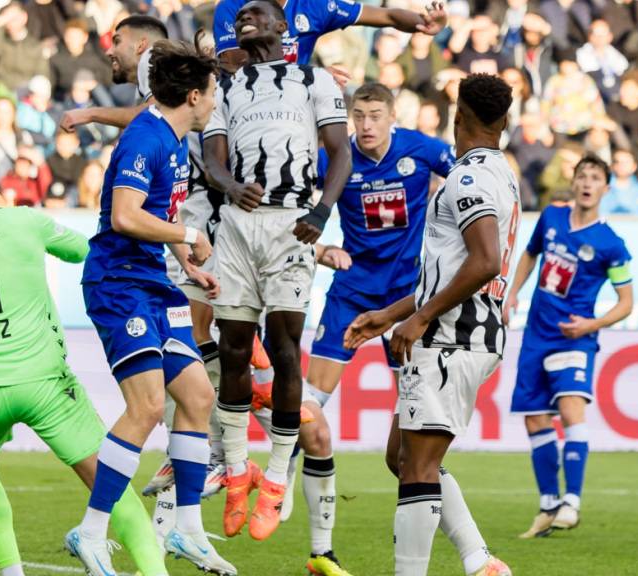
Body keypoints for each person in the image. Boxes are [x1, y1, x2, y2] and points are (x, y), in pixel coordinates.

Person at [0, 143, 167, 576]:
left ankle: (12, 571)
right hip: (45, 384)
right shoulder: (25, 221)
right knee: (108, 481)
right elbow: (86, 252)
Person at [66, 40, 236, 576]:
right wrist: (188, 233)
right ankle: (90, 531)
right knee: (145, 408)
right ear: (193, 95)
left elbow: (158, 213)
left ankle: (186, 529)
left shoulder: (169, 136)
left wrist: (187, 264)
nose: (215, 100)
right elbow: (124, 215)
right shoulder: (146, 137)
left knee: (198, 395)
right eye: (213, 92)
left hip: (155, 283)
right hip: (120, 283)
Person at [344, 73, 519, 576]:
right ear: (504, 122)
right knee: (401, 454)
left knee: (416, 467)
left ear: (457, 117)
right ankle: (479, 559)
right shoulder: (500, 172)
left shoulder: (467, 178)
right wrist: (391, 314)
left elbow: (485, 261)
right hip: (466, 331)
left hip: (450, 337)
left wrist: (419, 319)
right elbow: (459, 265)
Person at [201, 0, 350, 543]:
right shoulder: (227, 87)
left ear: (282, 26)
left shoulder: (314, 80)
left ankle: (279, 475)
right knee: (234, 347)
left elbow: (340, 154)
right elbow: (213, 157)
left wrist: (320, 212)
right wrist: (228, 185)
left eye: (258, 12)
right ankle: (239, 471)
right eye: (241, 13)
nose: (246, 16)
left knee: (285, 349)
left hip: (292, 224)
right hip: (239, 225)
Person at [301, 82, 454, 575]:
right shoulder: (336, 160)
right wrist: (322, 251)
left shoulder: (423, 150)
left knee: (411, 430)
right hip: (351, 291)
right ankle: (302, 517)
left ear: (392, 116)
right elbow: (293, 218)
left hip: (407, 301)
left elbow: (475, 180)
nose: (365, 125)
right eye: (358, 116)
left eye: (374, 115)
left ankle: (426, 513)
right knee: (308, 407)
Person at [504, 153, 634, 538]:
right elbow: (529, 255)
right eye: (583, 175)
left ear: (606, 189)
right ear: (574, 182)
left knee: (570, 408)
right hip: (536, 335)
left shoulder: (611, 244)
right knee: (534, 418)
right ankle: (548, 504)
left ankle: (572, 503)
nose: (588, 182)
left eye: (596, 177)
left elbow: (626, 302)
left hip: (574, 337)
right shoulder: (551, 217)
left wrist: (591, 324)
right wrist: (513, 294)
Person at [212, 0, 446, 70]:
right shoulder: (232, 7)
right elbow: (234, 64)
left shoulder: (316, 6)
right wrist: (314, 77)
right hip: (240, 108)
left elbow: (389, 17)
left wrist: (424, 23)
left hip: (292, 109)